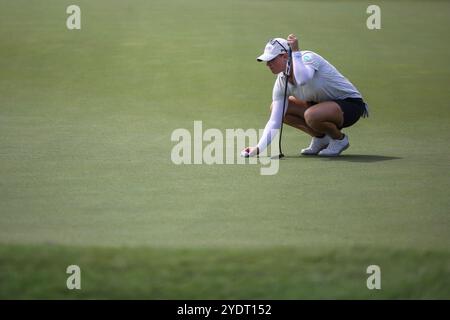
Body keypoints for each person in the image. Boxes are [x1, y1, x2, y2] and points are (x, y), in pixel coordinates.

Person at [242, 34, 369, 157]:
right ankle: (321, 138)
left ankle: (339, 139)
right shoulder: (281, 81)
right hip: (320, 107)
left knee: (311, 115)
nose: (268, 64)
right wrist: (259, 148)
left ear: (285, 56)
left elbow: (303, 79)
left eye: (271, 60)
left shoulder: (307, 57)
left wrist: (296, 52)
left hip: (350, 105)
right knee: (280, 110)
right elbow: (275, 120)